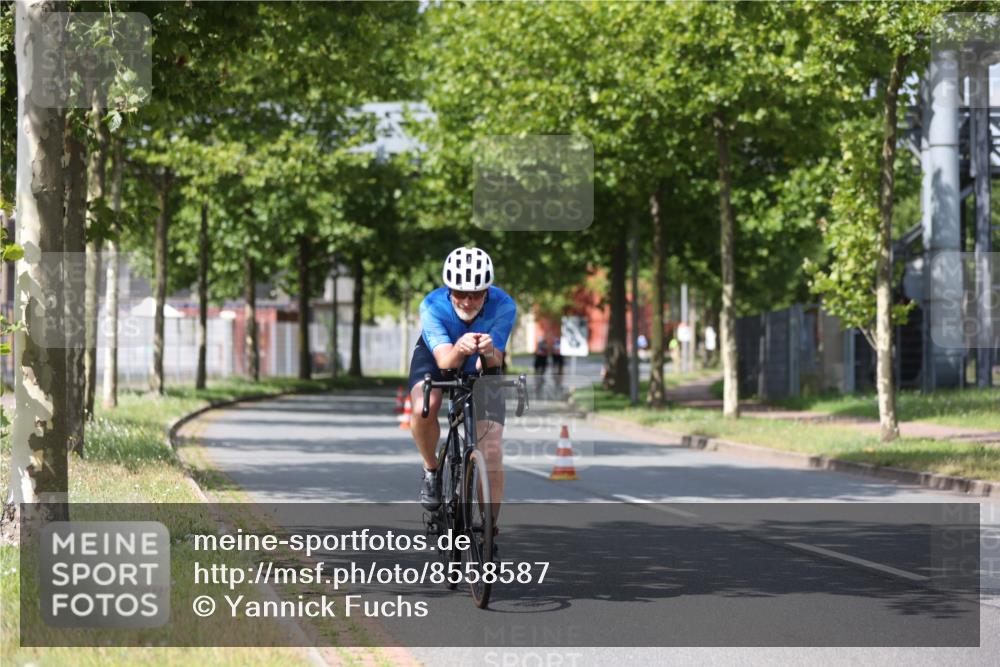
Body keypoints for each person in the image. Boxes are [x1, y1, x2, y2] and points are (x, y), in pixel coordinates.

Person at [409, 247, 516, 519]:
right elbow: (445, 362)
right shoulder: (432, 305)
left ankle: (489, 533)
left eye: (477, 294)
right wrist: (460, 348)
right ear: (449, 290)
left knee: (491, 449)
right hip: (438, 355)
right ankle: (431, 468)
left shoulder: (504, 305)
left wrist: (489, 351)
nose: (468, 302)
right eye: (460, 293)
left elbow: (492, 364)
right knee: (425, 404)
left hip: (482, 359)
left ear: (487, 292)